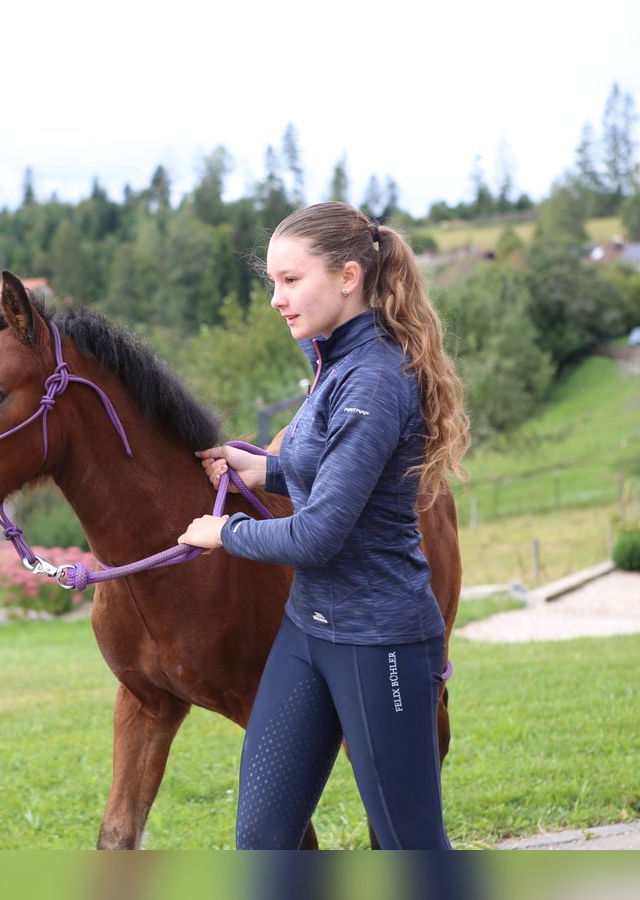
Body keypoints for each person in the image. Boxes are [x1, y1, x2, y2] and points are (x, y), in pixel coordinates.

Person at [177, 201, 470, 850]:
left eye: (290, 280)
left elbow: (319, 534)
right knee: (264, 842)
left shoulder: (372, 377)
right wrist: (263, 471)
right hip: (308, 633)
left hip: (381, 641)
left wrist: (221, 534)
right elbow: (334, 473)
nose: (277, 299)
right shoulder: (331, 362)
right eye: (272, 283)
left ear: (346, 277)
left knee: (408, 846)